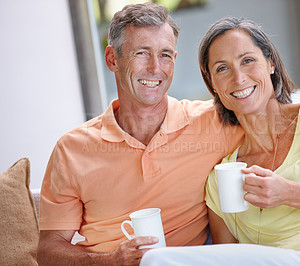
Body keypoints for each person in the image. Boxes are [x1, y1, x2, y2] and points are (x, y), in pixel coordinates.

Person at [139, 17, 300, 266]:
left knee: (156, 260)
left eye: (248, 60)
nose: (238, 78)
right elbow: (228, 258)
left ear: (271, 63)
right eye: (222, 68)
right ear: (212, 84)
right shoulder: (221, 179)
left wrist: (290, 193)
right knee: (156, 259)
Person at [37, 3, 243, 265]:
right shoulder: (71, 150)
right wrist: (111, 261)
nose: (155, 68)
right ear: (113, 59)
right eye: (142, 53)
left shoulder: (211, 122)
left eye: (165, 55)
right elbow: (48, 251)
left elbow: (276, 126)